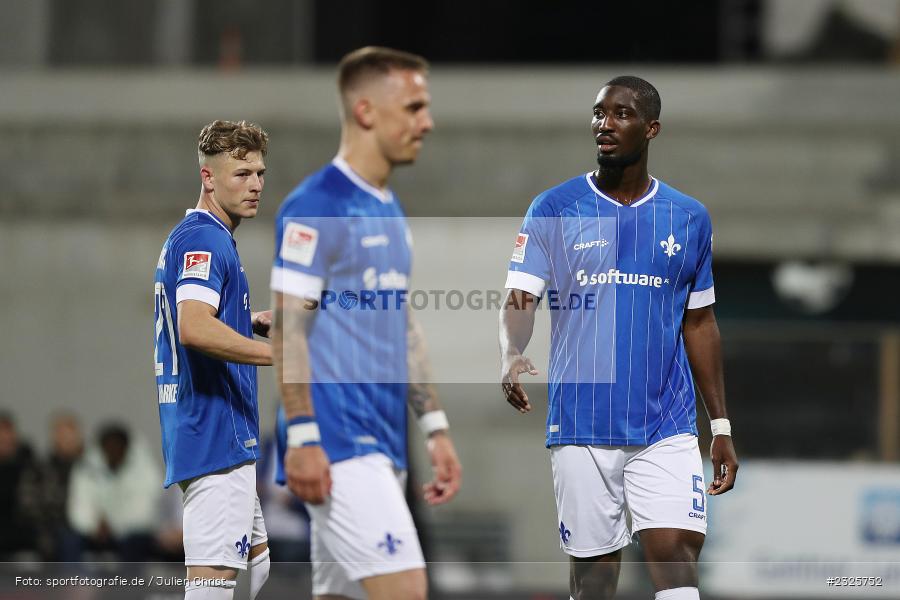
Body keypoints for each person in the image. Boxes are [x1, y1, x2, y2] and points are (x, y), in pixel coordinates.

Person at [498, 76, 739, 600]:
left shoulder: (688, 217)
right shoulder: (554, 208)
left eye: (621, 114)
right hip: (583, 422)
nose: (605, 124)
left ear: (651, 129)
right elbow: (521, 297)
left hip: (665, 423)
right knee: (595, 582)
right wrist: (512, 352)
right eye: (598, 113)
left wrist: (719, 423)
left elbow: (700, 323)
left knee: (676, 558)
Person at [270, 46, 462, 600]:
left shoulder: (388, 207)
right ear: (366, 112)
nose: (428, 121)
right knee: (406, 590)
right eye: (414, 106)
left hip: (383, 447)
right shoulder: (317, 205)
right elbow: (289, 329)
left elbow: (403, 326)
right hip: (339, 448)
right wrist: (303, 436)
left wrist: (436, 429)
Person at [154, 120, 273, 599]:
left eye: (260, 173)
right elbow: (194, 326)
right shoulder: (206, 239)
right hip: (215, 440)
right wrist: (279, 355)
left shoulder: (202, 236)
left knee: (260, 564)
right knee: (211, 589)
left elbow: (205, 319)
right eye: (241, 173)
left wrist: (251, 323)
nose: (256, 185)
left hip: (223, 439)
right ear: (208, 177)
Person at [65, 423, 161, 562]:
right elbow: (78, 507)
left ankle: (129, 583)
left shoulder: (144, 470)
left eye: (117, 446)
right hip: (94, 532)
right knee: (70, 540)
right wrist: (94, 525)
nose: (113, 450)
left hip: (130, 532)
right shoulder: (86, 468)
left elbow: (146, 513)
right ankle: (73, 582)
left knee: (137, 541)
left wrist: (114, 526)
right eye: (108, 447)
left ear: (126, 447)